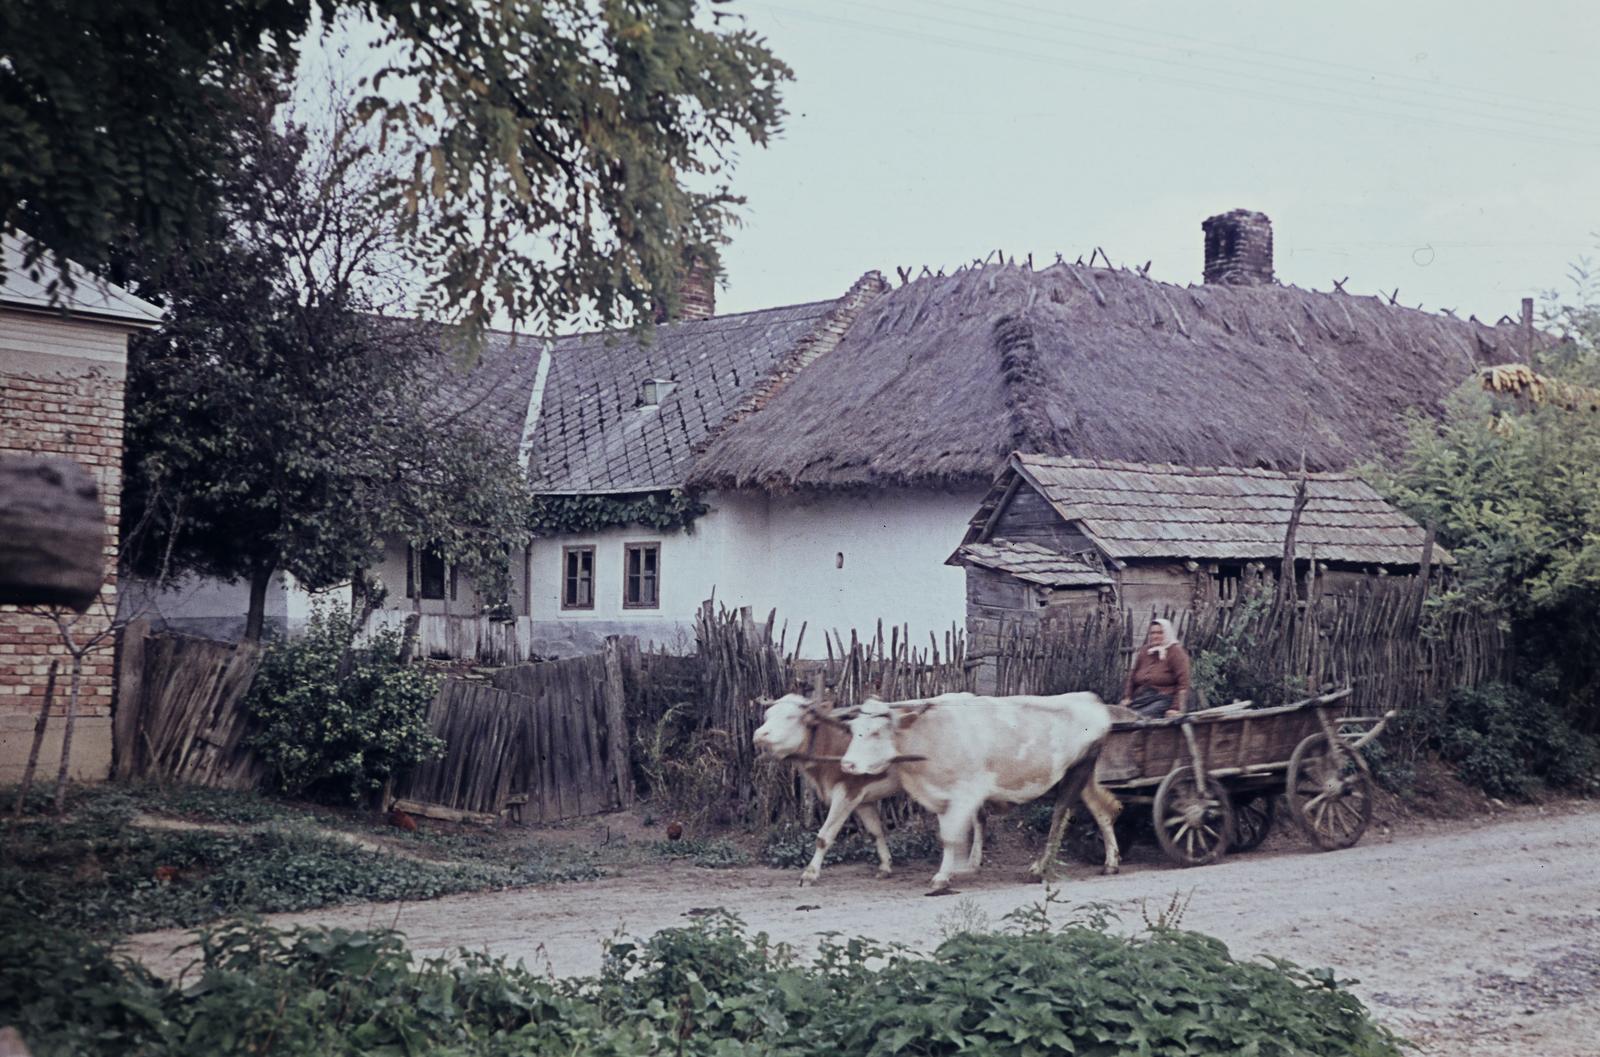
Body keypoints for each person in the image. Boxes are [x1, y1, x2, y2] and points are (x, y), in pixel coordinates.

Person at [1120, 618, 1191, 719]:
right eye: (1152, 633)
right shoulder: (1145, 651)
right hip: (1142, 699)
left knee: (1138, 718)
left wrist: (1175, 708)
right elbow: (1132, 677)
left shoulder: (1176, 652)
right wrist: (1128, 697)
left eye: (1160, 633)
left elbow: (1183, 683)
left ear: (1167, 633)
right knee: (1121, 715)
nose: (1155, 636)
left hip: (1164, 699)